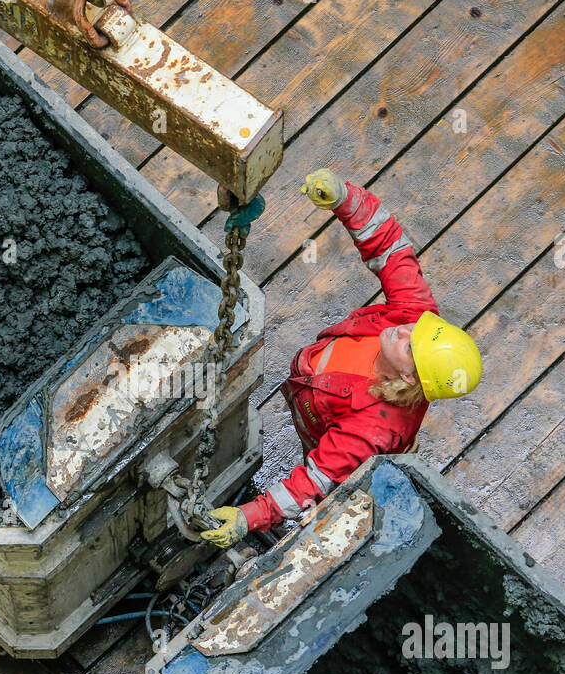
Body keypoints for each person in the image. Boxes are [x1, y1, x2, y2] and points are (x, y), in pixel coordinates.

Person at [199, 168, 483, 548]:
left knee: (334, 478)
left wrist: (249, 517)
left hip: (325, 427)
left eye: (410, 345)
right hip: (320, 403)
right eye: (416, 330)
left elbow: (313, 481)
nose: (404, 329)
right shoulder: (414, 316)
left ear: (410, 380)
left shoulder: (368, 430)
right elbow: (389, 246)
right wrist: (344, 199)